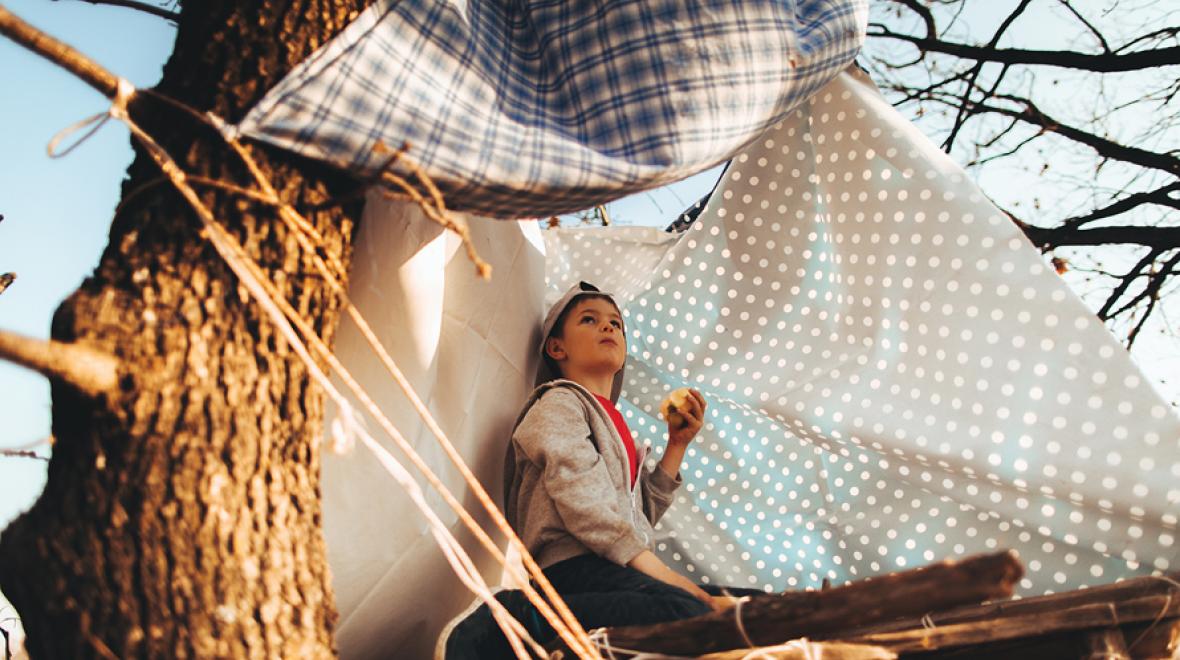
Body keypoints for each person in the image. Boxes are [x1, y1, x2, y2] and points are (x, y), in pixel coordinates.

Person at [444, 282, 760, 659]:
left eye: (616, 324)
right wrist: (672, 581)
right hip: (571, 572)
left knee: (758, 609)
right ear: (557, 348)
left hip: (614, 569)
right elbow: (584, 504)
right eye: (589, 320)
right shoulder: (558, 404)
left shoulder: (613, 423)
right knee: (687, 612)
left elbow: (635, 518)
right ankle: (520, 618)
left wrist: (677, 445)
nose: (608, 328)